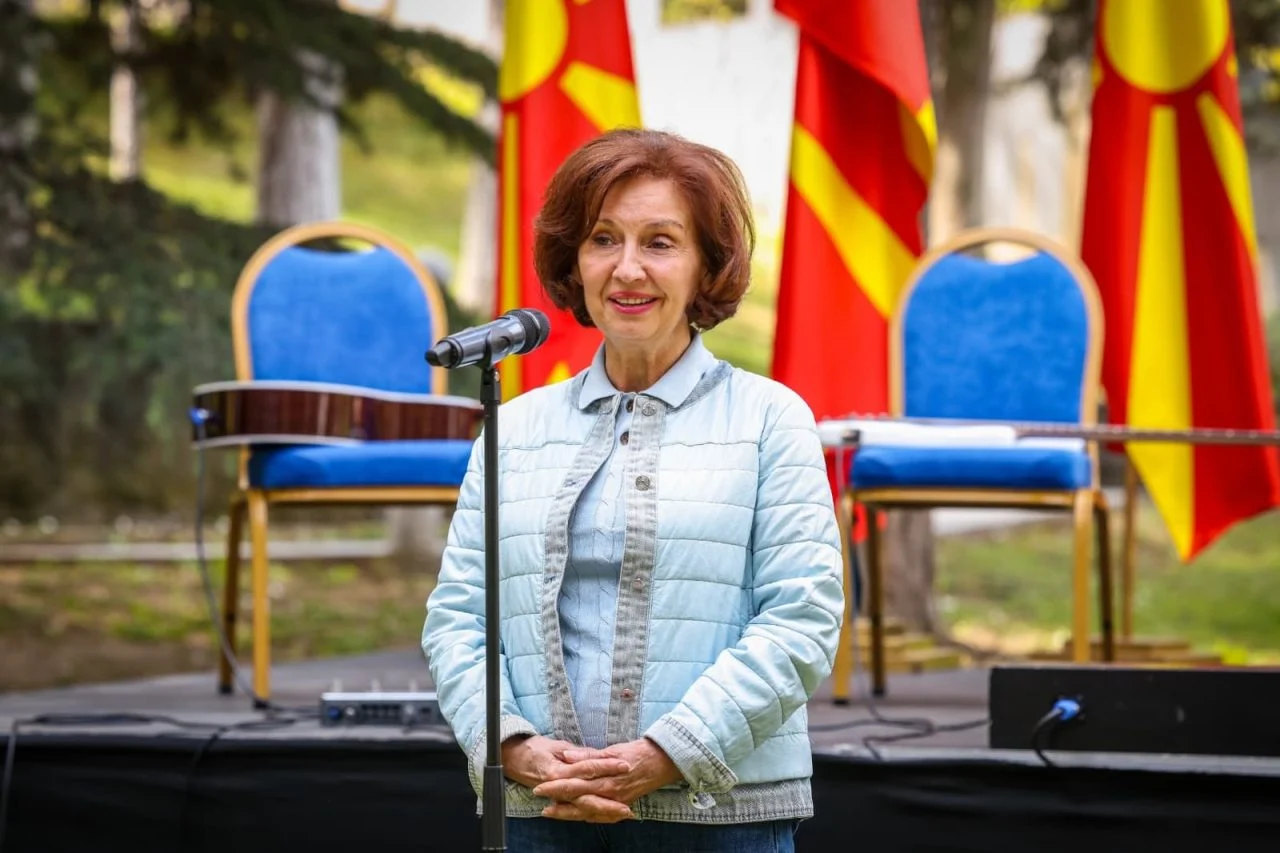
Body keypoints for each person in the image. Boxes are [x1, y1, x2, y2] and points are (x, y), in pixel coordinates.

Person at [422, 128, 845, 852]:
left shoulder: (771, 418)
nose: (627, 269)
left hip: (717, 818)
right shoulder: (513, 426)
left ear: (707, 264)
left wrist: (666, 754)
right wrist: (513, 746)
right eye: (603, 239)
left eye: (660, 242)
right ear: (574, 260)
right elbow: (459, 619)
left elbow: (801, 620)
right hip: (540, 810)